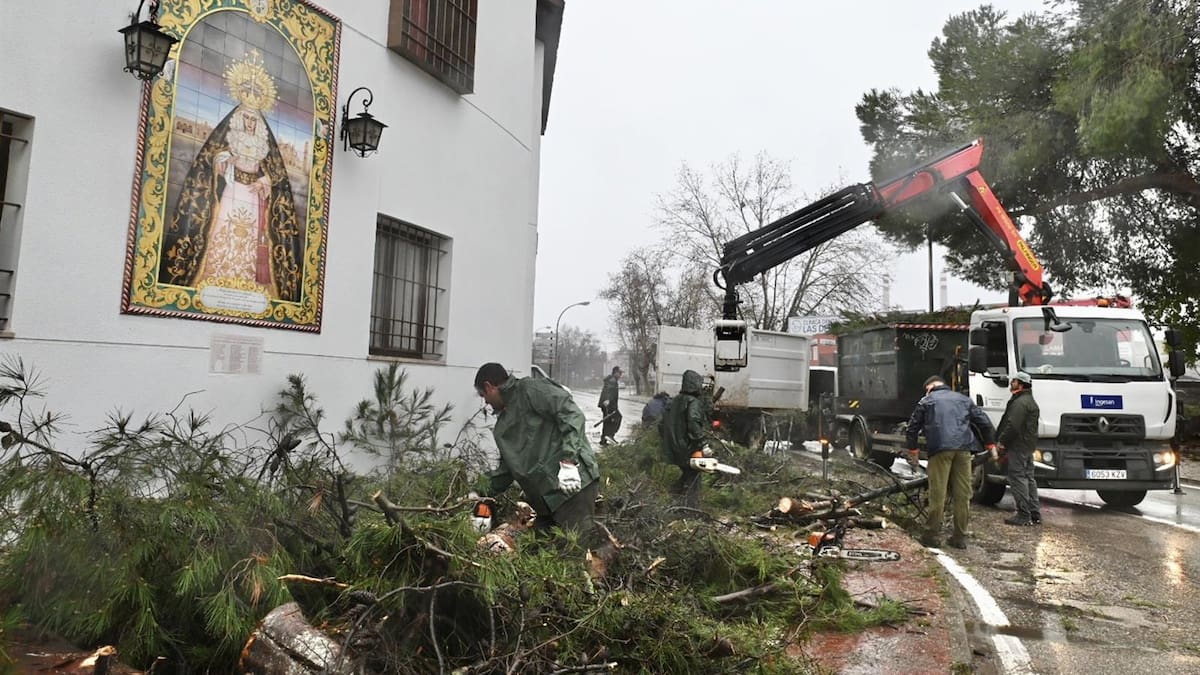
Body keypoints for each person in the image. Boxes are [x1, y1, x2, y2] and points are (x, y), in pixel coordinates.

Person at [160, 49, 305, 302]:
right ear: (240, 118)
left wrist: (265, 180)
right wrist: (226, 160)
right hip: (233, 187)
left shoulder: (265, 141)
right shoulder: (229, 133)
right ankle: (216, 273)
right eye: (247, 119)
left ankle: (248, 279)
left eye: (253, 120)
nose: (250, 123)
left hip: (253, 195)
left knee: (250, 236)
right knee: (222, 227)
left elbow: (275, 172)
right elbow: (212, 157)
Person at [474, 362, 601, 536]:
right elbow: (507, 471)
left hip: (572, 488)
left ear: (489, 387)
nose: (486, 402)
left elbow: (572, 415)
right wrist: (478, 491)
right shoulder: (502, 428)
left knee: (576, 552)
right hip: (547, 502)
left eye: (483, 395)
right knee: (538, 549)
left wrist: (569, 462)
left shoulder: (530, 390)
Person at [906, 375, 997, 549]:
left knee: (938, 493)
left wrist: (913, 451)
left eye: (927, 389)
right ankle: (959, 537)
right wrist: (990, 443)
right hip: (964, 449)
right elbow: (984, 421)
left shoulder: (927, 400)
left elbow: (912, 428)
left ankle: (931, 535)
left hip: (940, 449)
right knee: (963, 494)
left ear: (931, 386)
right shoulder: (963, 399)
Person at [997, 371, 1041, 526]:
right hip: (1028, 446)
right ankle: (1035, 513)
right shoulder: (1029, 401)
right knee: (1029, 478)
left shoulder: (1020, 403)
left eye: (1014, 381)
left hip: (1018, 446)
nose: (1011, 383)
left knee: (1018, 478)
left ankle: (1023, 514)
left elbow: (1013, 426)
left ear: (1020, 384)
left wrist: (1002, 441)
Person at [660, 370, 707, 508]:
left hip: (673, 447)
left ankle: (672, 499)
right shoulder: (693, 402)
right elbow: (693, 422)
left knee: (687, 474)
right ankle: (689, 508)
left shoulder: (674, 401)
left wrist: (668, 441)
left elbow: (661, 425)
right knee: (694, 476)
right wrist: (702, 443)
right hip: (687, 447)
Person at [598, 366, 623, 445]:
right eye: (619, 373)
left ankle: (603, 440)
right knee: (618, 417)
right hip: (609, 405)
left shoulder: (611, 379)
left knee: (607, 422)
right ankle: (610, 435)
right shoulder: (612, 381)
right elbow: (609, 391)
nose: (620, 375)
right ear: (615, 373)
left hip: (606, 405)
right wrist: (608, 400)